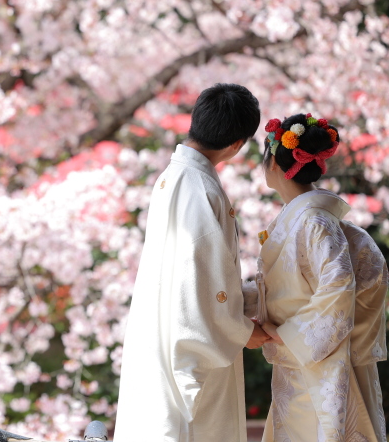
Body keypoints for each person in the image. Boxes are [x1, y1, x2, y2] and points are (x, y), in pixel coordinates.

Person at [114, 83, 271, 442]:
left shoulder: (173, 178)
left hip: (164, 336)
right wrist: (243, 331)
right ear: (236, 144)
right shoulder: (199, 186)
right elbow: (199, 281)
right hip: (187, 354)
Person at [257, 114, 388, 442]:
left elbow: (339, 286)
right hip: (304, 362)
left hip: (320, 368)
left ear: (273, 162)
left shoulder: (314, 222)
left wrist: (287, 335)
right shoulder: (309, 219)